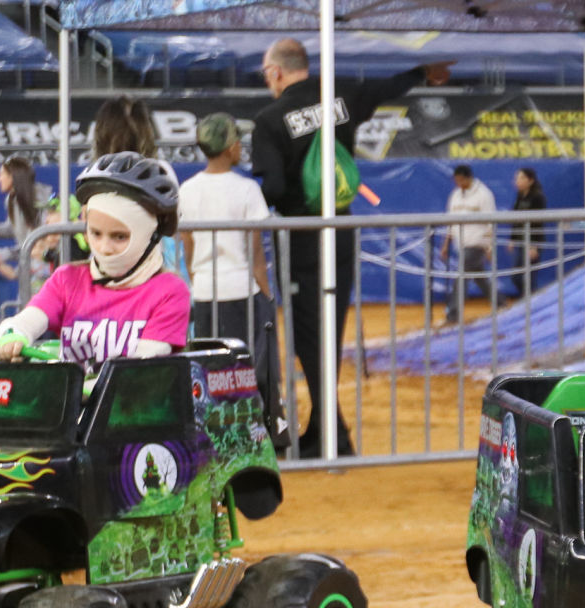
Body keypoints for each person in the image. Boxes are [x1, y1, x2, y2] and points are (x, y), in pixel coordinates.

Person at [252, 37, 451, 457]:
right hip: (341, 228)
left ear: (276, 73)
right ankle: (326, 429)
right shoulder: (341, 93)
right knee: (330, 330)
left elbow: (272, 187)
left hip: (301, 234)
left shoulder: (270, 120)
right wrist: (422, 73)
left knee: (309, 336)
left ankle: (334, 437)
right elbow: (385, 89)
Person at [0, 152, 189, 372]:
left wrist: (90, 386)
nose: (104, 248)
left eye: (120, 236)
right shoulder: (66, 280)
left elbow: (140, 369)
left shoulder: (169, 291)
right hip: (73, 405)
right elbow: (25, 321)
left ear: (150, 235)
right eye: (96, 233)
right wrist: (12, 335)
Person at [179, 114, 273, 340]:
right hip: (241, 289)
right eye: (238, 142)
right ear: (231, 148)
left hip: (204, 289)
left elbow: (188, 246)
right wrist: (267, 296)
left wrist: (197, 280)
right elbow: (256, 254)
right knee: (245, 362)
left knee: (209, 362)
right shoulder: (247, 189)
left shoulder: (187, 189)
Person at [441, 164, 496, 325]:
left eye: (460, 180)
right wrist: (446, 244)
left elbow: (490, 222)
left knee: (461, 277)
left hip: (477, 243)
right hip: (461, 244)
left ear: (468, 178)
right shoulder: (455, 195)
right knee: (479, 278)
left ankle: (453, 314)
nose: (457, 183)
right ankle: (500, 302)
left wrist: (489, 246)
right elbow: (450, 221)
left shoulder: (484, 194)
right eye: (455, 180)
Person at [512, 167, 546, 275]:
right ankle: (526, 291)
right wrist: (512, 238)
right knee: (518, 275)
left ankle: (532, 292)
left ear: (530, 181)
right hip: (521, 240)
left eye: (521, 178)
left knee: (527, 275)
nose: (517, 181)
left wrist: (534, 245)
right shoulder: (520, 196)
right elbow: (515, 218)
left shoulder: (537, 198)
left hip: (531, 241)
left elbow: (538, 223)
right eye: (516, 178)